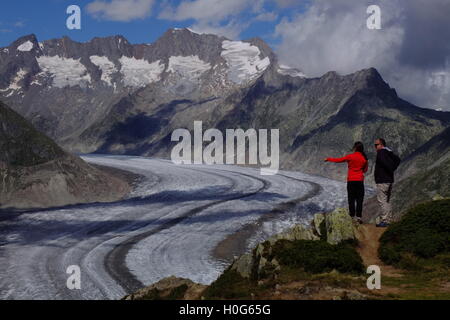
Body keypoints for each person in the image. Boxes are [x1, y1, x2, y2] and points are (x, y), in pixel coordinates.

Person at [325, 142, 369, 224]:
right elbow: (365, 170)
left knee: (351, 199)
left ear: (355, 148)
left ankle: (352, 216)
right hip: (359, 181)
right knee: (359, 199)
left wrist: (328, 159)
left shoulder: (350, 156)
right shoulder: (364, 158)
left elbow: (339, 160)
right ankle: (359, 217)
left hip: (351, 181)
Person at [374, 138, 401, 227]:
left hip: (382, 180)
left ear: (381, 145)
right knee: (387, 200)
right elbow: (398, 160)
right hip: (389, 180)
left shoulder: (381, 152)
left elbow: (386, 164)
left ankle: (385, 220)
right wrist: (392, 169)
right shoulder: (389, 152)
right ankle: (389, 219)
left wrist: (390, 169)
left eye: (376, 145)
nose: (375, 147)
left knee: (382, 201)